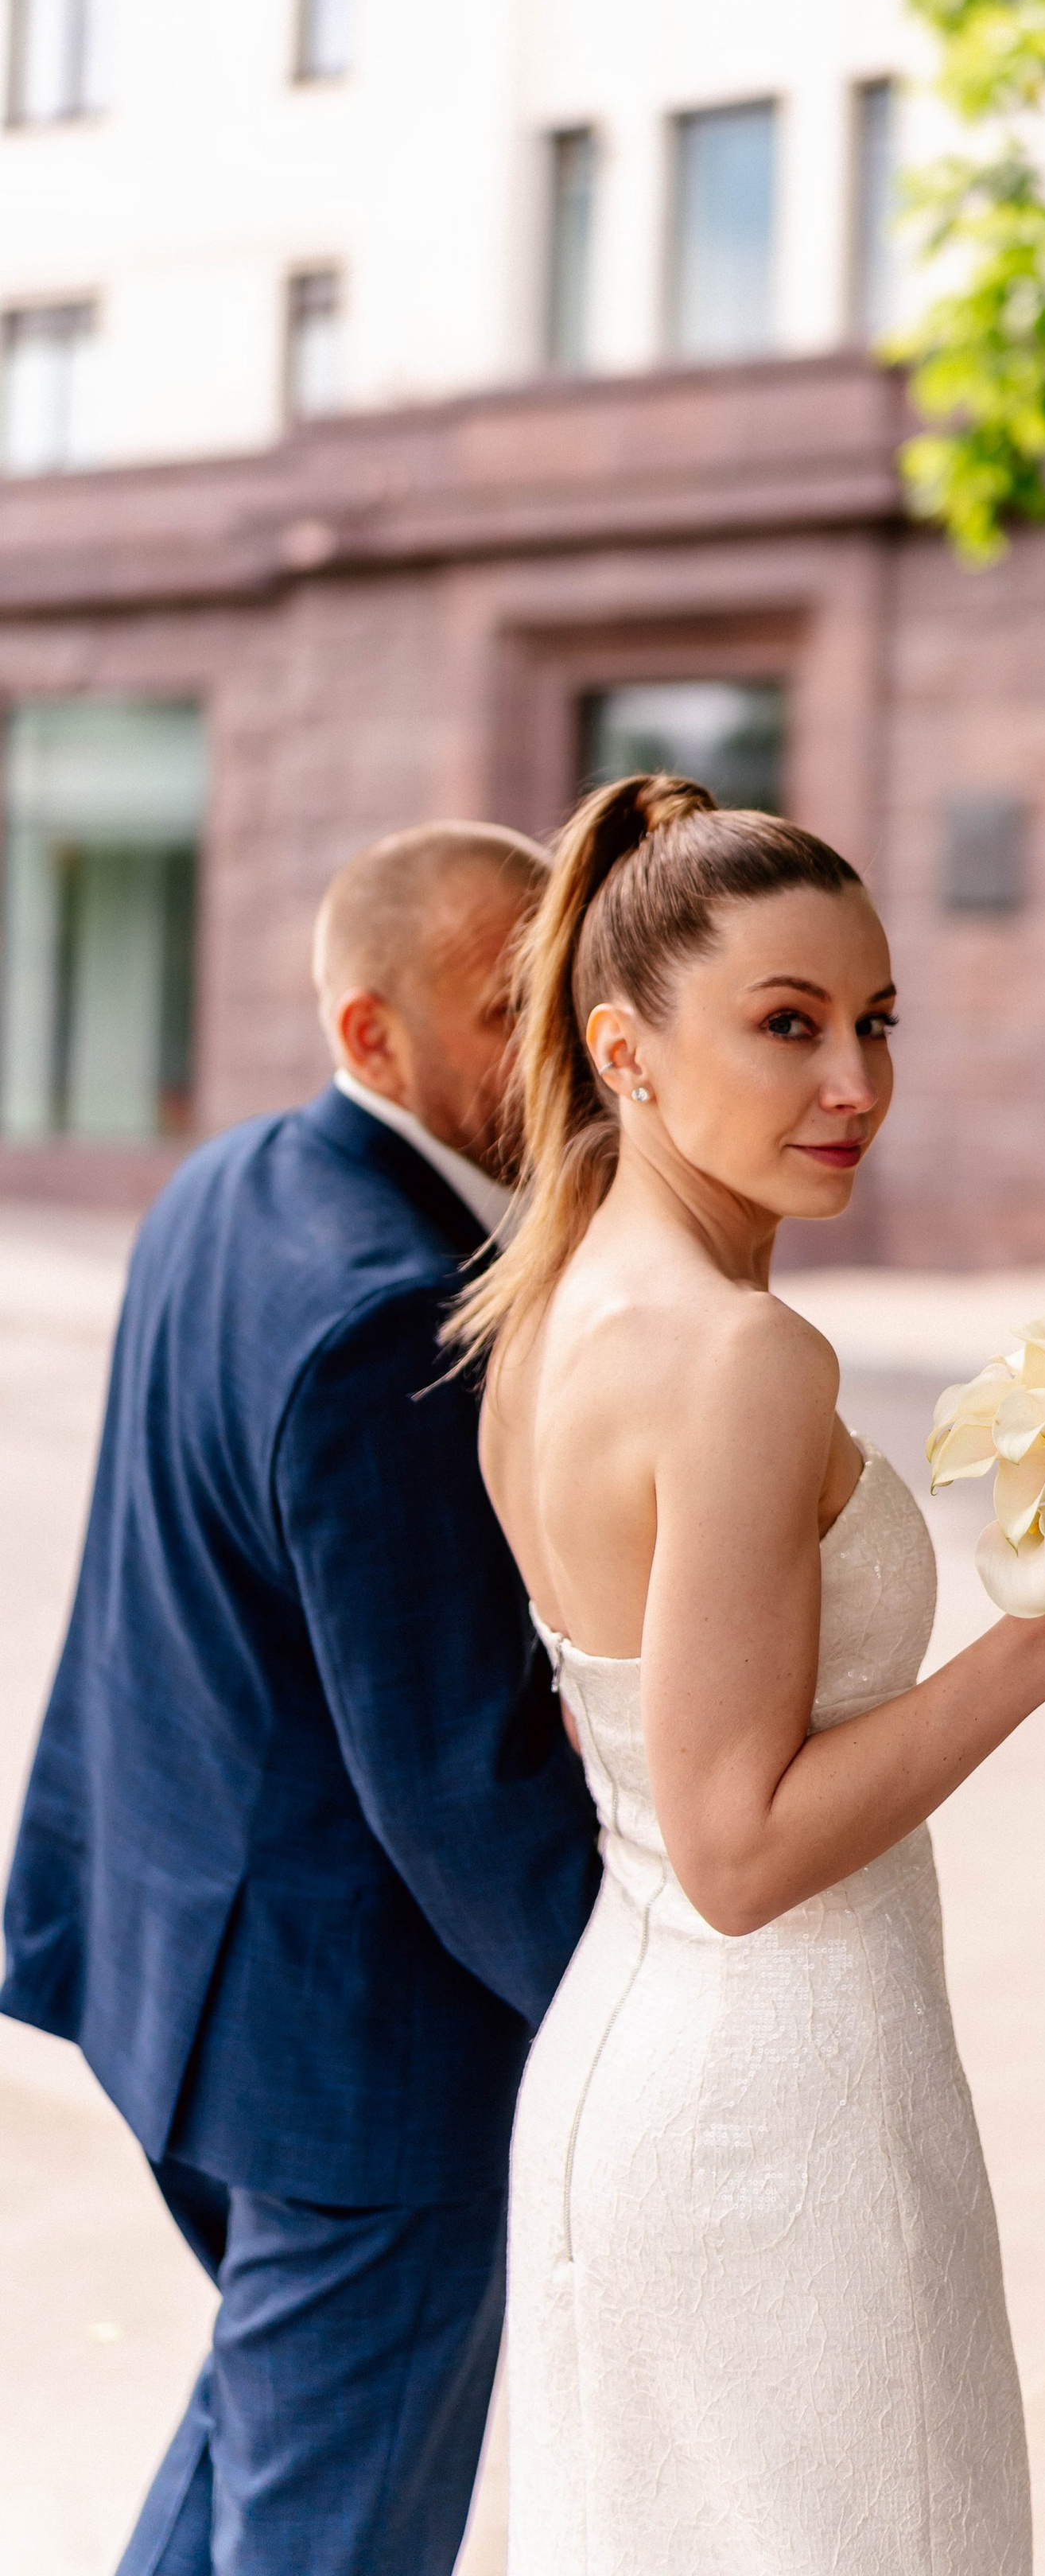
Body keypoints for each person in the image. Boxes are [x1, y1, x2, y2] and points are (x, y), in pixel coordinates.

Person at [463, 774, 1045, 2573]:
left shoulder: (551, 1309)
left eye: (875, 1022)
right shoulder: (738, 1360)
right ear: (622, 1049)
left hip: (624, 2084)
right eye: (786, 1026)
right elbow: (736, 1849)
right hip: (778, 2115)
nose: (855, 1083)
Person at [1, 822, 600, 2576]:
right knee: (332, 2533)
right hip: (359, 2056)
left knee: (267, 2451)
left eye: (560, 990)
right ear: (371, 1037)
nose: (556, 1044)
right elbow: (453, 1781)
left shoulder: (227, 1180)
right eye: (506, 1008)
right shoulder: (391, 1311)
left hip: (177, 1965)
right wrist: (632, 2024)